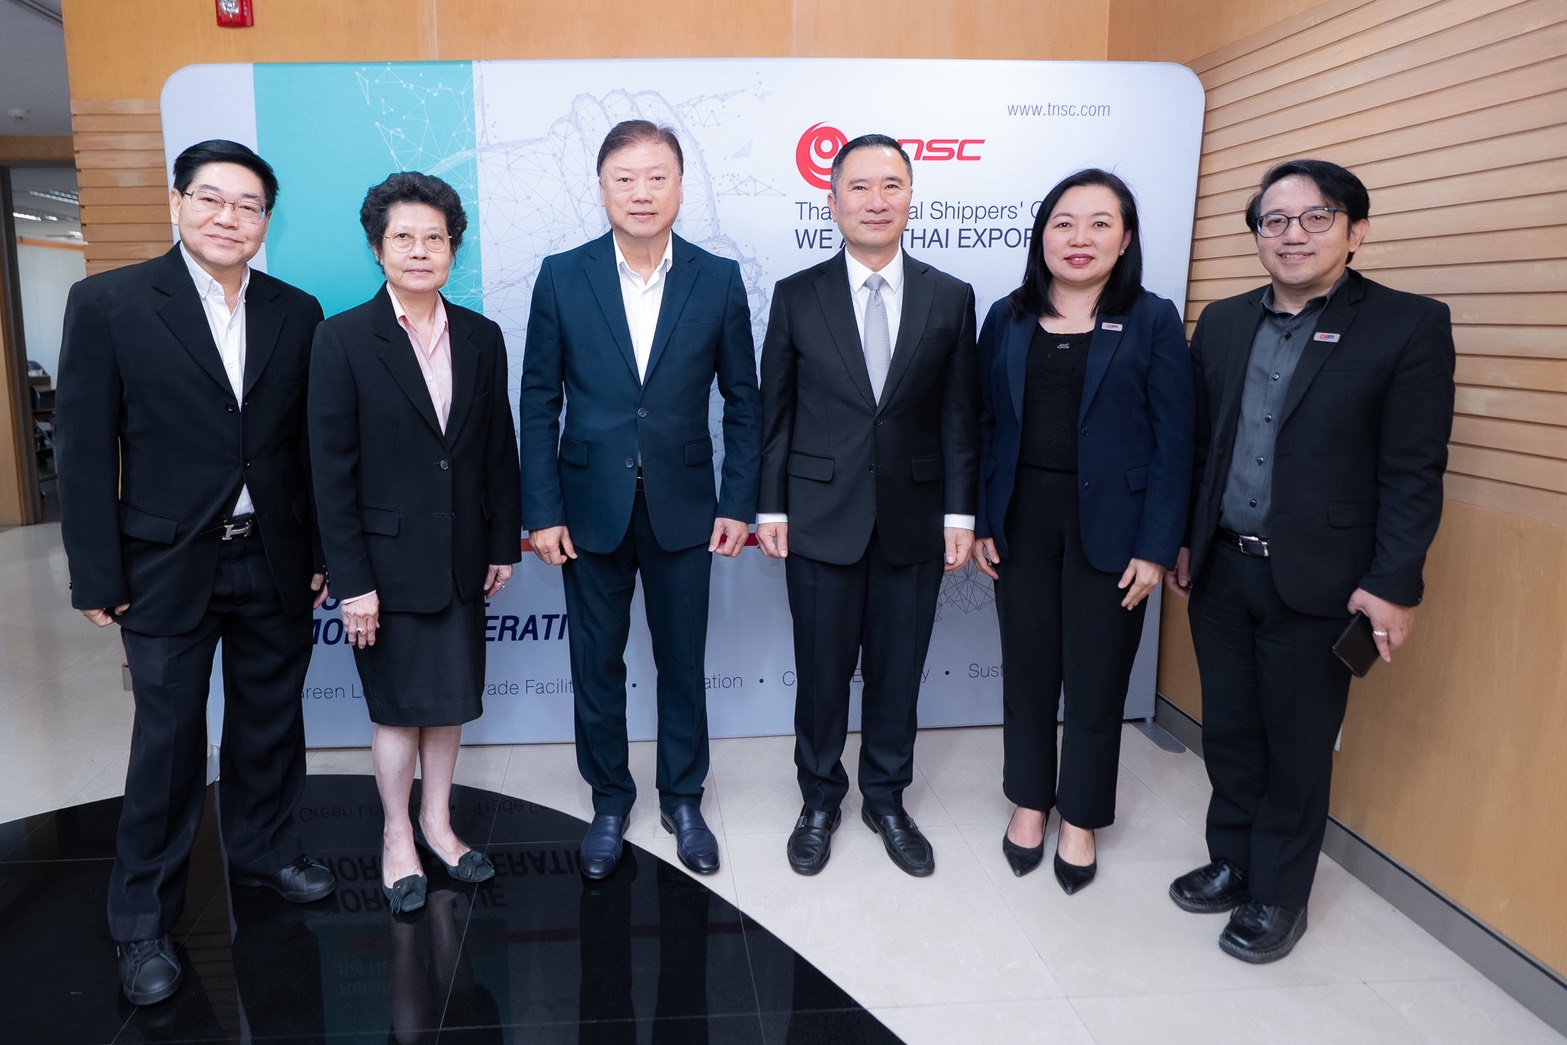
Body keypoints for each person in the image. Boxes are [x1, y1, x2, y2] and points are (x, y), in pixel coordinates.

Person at [55, 139, 334, 1006]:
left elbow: (309, 447)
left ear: (265, 222)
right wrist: (96, 571)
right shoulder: (109, 302)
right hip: (164, 562)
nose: (228, 217)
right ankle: (142, 920)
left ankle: (264, 850)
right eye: (211, 198)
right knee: (169, 743)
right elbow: (82, 447)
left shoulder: (297, 310)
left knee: (269, 723)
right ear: (178, 203)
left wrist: (320, 553)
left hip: (273, 554)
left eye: (248, 205)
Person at [1165, 159, 1455, 962]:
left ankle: (1277, 893)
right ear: (1257, 234)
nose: (1292, 234)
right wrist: (1185, 539)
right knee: (1229, 727)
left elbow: (1412, 470)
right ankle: (1231, 858)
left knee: (1296, 742)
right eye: (1274, 220)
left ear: (1354, 232)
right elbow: (1201, 447)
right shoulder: (1222, 321)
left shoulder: (1406, 325)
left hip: (1323, 579)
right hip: (1223, 567)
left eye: (1314, 217)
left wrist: (1392, 585)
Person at [519, 120, 760, 880]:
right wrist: (542, 510)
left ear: (680, 187)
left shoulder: (717, 279)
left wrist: (737, 502)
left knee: (681, 661)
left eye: (657, 177)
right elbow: (537, 401)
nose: (642, 192)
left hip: (686, 506)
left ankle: (683, 798)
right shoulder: (563, 275)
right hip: (587, 506)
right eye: (625, 178)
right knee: (596, 662)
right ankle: (609, 801)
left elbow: (744, 402)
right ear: (601, 188)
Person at [757, 133, 979, 878]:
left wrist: (959, 515)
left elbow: (960, 414)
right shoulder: (796, 294)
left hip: (915, 521)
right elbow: (776, 412)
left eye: (890, 185)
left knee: (897, 672)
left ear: (911, 197)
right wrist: (770, 508)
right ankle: (819, 800)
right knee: (821, 673)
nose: (875, 200)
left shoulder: (950, 296)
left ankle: (886, 798)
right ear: (832, 202)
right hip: (819, 517)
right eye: (858, 187)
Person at [972, 169, 1194, 893]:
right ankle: (1029, 801)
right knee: (1028, 670)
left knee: (1097, 679)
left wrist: (1156, 547)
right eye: (1064, 222)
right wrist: (983, 517)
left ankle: (1082, 817)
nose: (1080, 238)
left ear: (1125, 240)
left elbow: (1175, 441)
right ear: (1041, 234)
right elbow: (983, 425)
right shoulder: (1007, 316)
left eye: (1101, 224)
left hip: (1115, 527)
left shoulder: (1152, 318)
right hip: (1022, 518)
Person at [310, 172, 522, 914]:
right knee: (398, 708)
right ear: (378, 248)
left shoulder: (482, 336)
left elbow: (497, 448)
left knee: (448, 703)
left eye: (435, 237)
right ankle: (397, 834)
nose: (420, 249)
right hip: (385, 567)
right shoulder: (340, 339)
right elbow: (329, 473)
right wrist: (352, 581)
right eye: (403, 236)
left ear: (453, 248)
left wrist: (502, 543)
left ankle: (438, 823)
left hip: (461, 556)